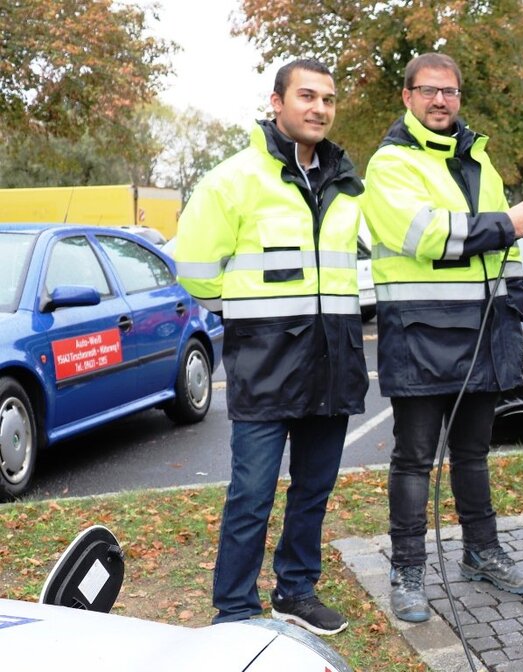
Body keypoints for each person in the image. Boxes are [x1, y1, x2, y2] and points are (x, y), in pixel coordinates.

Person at [174, 59, 369, 636]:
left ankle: (296, 590)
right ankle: (236, 609)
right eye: (307, 96)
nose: (319, 108)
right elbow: (195, 269)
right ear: (276, 102)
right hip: (265, 366)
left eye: (328, 99)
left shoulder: (346, 184)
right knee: (252, 496)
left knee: (313, 491)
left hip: (333, 364)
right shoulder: (233, 180)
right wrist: (247, 316)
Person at [360, 53, 523, 623]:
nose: (441, 100)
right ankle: (408, 570)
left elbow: (507, 255)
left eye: (450, 91)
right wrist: (506, 223)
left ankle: (481, 553)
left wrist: (514, 305)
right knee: (415, 460)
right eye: (429, 90)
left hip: (483, 333)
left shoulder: (479, 160)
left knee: (473, 455)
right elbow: (426, 235)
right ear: (407, 96)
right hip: (421, 333)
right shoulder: (391, 163)